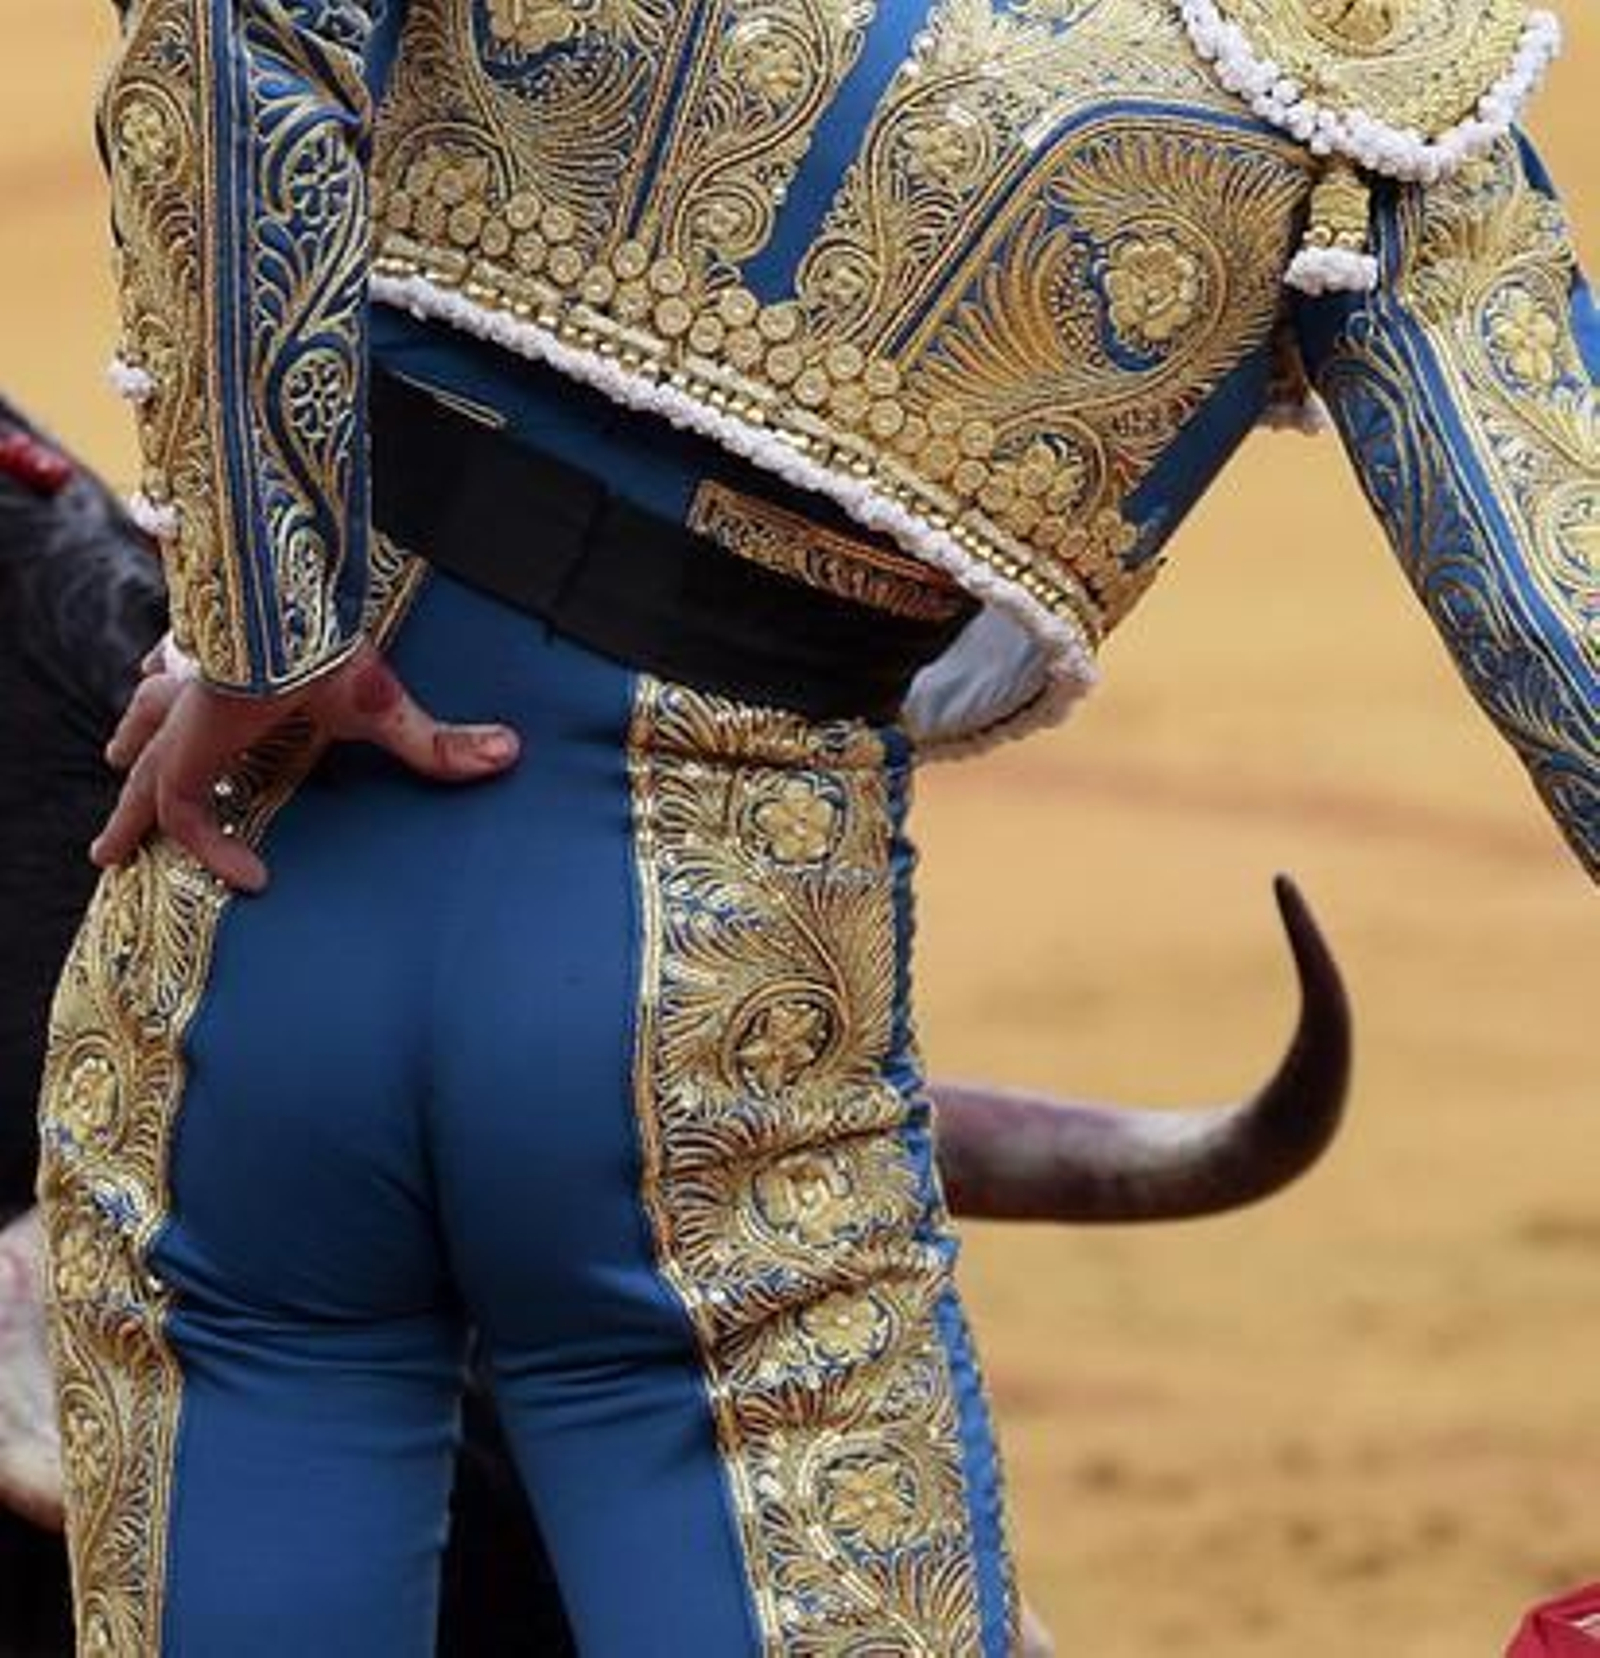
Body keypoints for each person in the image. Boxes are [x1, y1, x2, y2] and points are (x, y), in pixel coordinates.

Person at [38, 0, 1595, 1654]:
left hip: (248, 904)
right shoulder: (1369, 56)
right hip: (712, 980)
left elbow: (236, 43)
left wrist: (267, 621)